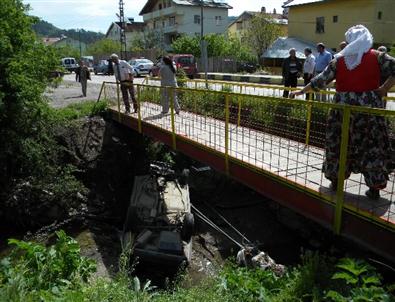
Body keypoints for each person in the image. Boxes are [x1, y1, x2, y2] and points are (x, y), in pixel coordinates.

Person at [290, 25, 395, 200]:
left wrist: (300, 92)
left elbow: (319, 81)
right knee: (371, 146)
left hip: (341, 111)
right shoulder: (378, 57)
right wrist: (384, 89)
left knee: (338, 144)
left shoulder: (339, 60)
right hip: (367, 110)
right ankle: (374, 187)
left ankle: (336, 181)